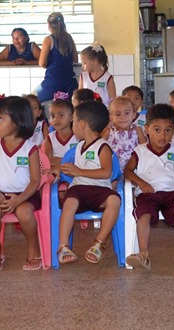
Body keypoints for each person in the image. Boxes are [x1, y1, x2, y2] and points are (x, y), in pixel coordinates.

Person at [123, 103, 174, 271]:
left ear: (173, 131)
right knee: (144, 215)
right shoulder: (140, 151)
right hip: (147, 193)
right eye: (157, 130)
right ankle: (143, 254)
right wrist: (141, 182)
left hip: (172, 193)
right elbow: (128, 171)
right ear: (147, 129)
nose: (162, 135)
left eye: (168, 130)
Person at [57, 101, 121, 266]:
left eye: (73, 121)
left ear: (82, 124)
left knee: (114, 200)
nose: (72, 125)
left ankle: (99, 243)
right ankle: (63, 246)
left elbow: (106, 172)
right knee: (69, 203)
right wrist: (58, 170)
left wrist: (79, 171)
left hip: (100, 189)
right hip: (79, 188)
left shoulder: (103, 147)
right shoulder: (78, 147)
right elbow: (69, 168)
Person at [0, 96, 43, 271]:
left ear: (17, 122)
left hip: (26, 195)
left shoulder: (30, 148)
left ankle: (33, 247)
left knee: (24, 212)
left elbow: (35, 181)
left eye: (0, 118)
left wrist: (18, 200)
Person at [34, 13, 78, 103]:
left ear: (49, 24)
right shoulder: (69, 38)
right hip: (70, 83)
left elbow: (42, 63)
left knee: (31, 100)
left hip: (52, 83)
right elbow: (75, 60)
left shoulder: (48, 39)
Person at [104, 96, 147, 170]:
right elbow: (98, 146)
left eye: (127, 113)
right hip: (113, 168)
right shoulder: (109, 131)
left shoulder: (137, 130)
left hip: (133, 168)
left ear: (134, 115)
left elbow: (145, 149)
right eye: (118, 114)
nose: (122, 117)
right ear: (111, 117)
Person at [44, 97, 78, 177]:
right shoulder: (50, 138)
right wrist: (68, 161)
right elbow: (47, 161)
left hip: (74, 174)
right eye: (52, 116)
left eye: (61, 115)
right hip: (55, 175)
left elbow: (81, 160)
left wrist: (58, 160)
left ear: (72, 117)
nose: (56, 119)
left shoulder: (78, 136)